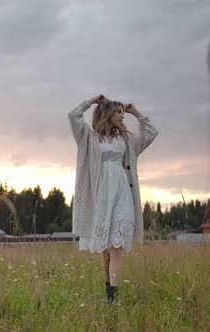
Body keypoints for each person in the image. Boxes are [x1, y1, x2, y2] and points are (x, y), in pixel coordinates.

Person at [68, 94, 158, 304]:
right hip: (100, 196)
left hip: (122, 195)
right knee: (106, 252)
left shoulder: (126, 141)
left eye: (123, 113)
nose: (122, 116)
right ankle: (109, 289)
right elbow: (73, 115)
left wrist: (135, 112)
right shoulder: (89, 138)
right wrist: (91, 101)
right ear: (107, 114)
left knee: (117, 248)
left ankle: (113, 299)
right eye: (118, 112)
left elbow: (151, 131)